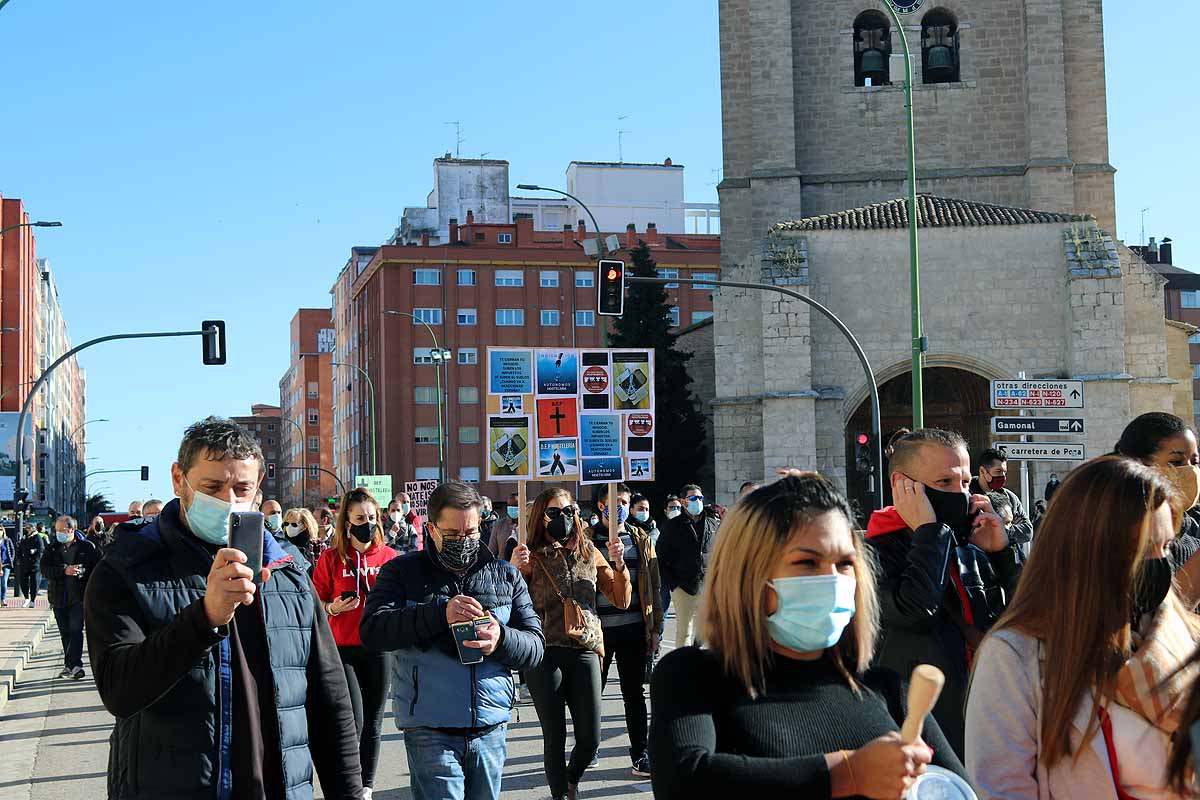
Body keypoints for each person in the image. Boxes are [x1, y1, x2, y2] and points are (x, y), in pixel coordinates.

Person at [84, 416, 363, 799]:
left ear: (258, 487)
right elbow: (120, 691)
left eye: (241, 488)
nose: (228, 502)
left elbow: (329, 697)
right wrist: (204, 618)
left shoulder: (289, 569)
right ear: (178, 479)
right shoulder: (126, 569)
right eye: (212, 487)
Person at [649, 474, 965, 798]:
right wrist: (849, 772)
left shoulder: (886, 688)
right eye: (808, 562)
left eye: (844, 564)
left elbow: (959, 787)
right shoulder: (693, 677)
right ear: (748, 576)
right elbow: (686, 780)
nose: (832, 580)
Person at [967, 456, 1197, 797]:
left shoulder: (1181, 633)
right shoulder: (1014, 655)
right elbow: (1000, 787)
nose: (1159, 564)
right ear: (1090, 550)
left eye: (1165, 547)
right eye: (1145, 549)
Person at [360, 481, 544, 800]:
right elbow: (374, 630)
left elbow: (535, 647)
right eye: (454, 535)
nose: (464, 541)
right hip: (430, 727)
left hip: (491, 726)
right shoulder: (402, 573)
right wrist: (438, 614)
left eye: (471, 533)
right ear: (431, 529)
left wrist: (500, 638)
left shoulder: (505, 575)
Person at [865, 428, 1022, 758]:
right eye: (945, 483)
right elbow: (914, 610)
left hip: (989, 725)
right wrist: (929, 532)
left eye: (965, 482)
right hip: (918, 733)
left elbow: (1030, 622)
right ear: (902, 485)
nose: (961, 494)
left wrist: (1003, 556)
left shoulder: (970, 548)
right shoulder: (872, 553)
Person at [519, 487, 630, 800]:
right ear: (541, 517)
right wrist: (515, 567)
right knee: (554, 735)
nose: (563, 518)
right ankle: (560, 795)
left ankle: (570, 779)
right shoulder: (530, 554)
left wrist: (619, 565)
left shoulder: (590, 551)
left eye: (569, 511)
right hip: (544, 651)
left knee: (590, 738)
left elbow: (620, 599)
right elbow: (510, 600)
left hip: (584, 649)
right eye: (555, 512)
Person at [312, 488, 397, 799]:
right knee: (355, 720)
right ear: (347, 522)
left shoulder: (389, 557)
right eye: (360, 518)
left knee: (374, 721)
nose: (368, 523)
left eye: (372, 518)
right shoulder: (331, 558)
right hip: (343, 648)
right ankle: (348, 782)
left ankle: (366, 788)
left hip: (378, 647)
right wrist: (332, 607)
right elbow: (315, 601)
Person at [590, 483, 662, 778]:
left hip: (633, 628)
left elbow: (653, 588)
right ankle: (589, 746)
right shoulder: (584, 540)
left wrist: (655, 627)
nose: (617, 505)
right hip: (598, 632)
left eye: (622, 501)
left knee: (634, 694)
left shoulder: (641, 539)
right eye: (611, 500)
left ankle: (640, 753)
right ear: (599, 506)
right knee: (593, 693)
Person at [656, 484, 720, 648]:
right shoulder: (672, 526)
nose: (697, 501)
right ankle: (682, 667)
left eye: (700, 498)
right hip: (683, 586)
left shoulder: (713, 524)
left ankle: (698, 661)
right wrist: (673, 584)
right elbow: (661, 557)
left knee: (706, 630)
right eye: (693, 498)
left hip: (708, 586)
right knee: (684, 630)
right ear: (683, 502)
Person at [41, 515, 99, 679]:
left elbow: (97, 569)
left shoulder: (87, 548)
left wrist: (82, 572)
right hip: (59, 598)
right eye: (57, 530)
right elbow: (45, 570)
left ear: (71, 529)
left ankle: (76, 665)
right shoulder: (52, 549)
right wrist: (64, 570)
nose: (58, 533)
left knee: (75, 630)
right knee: (65, 631)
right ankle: (69, 665)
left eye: (62, 530)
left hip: (79, 597)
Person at [970, 447, 1035, 554]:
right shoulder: (968, 495)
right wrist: (1009, 524)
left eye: (1004, 472)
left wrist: (1002, 529)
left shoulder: (1010, 498)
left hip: (1006, 558)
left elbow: (1027, 532)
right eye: (998, 472)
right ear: (982, 471)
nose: (1003, 477)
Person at [282, 506, 323, 573]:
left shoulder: (316, 547)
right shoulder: (282, 546)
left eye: (294, 524)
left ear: (305, 526)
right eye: (286, 524)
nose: (289, 527)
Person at [14, 522, 45, 607]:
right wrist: (19, 559)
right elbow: (19, 549)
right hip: (24, 564)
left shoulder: (37, 537)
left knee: (34, 582)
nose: (27, 529)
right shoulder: (24, 537)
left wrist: (36, 558)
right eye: (26, 528)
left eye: (29, 528)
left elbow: (41, 550)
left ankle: (32, 600)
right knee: (23, 581)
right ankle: (26, 598)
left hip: (35, 565)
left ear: (33, 528)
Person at [487, 491, 520, 557]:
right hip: (504, 565)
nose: (512, 508)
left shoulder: (528, 525)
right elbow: (491, 551)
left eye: (515, 505)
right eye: (509, 505)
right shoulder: (499, 525)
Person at [0, 526, 13, 605]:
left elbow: (12, 550)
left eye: (1, 529)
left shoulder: (7, 540)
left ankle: (3, 598)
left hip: (6, 564)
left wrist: (11, 559)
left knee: (4, 582)